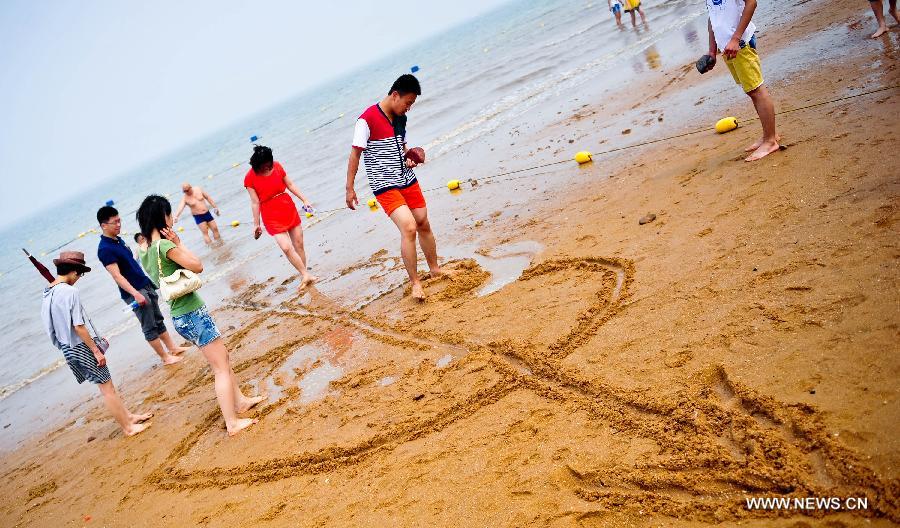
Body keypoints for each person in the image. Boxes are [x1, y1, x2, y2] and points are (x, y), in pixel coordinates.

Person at [137, 195, 265, 436]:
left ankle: (241, 401)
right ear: (161, 217)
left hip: (180, 316)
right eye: (169, 214)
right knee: (220, 367)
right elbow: (197, 266)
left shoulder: (145, 251)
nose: (172, 218)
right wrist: (179, 243)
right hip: (191, 312)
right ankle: (232, 422)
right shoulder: (165, 246)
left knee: (222, 358)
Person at [346, 74, 443, 301]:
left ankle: (435, 269)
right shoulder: (366, 120)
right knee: (409, 227)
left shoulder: (401, 118)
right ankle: (416, 283)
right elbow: (355, 154)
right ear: (395, 95)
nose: (408, 108)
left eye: (412, 104)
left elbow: (402, 145)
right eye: (408, 103)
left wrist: (410, 157)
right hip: (385, 185)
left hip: (406, 178)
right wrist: (349, 188)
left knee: (423, 222)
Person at [41, 251, 153, 437]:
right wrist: (95, 350)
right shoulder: (70, 291)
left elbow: (50, 329)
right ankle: (128, 427)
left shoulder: (47, 292)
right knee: (107, 388)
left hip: (67, 348)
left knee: (107, 385)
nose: (79, 278)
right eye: (80, 273)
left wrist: (66, 347)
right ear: (74, 271)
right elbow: (79, 326)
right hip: (79, 345)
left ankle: (129, 417)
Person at [96, 206, 187, 365]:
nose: (119, 224)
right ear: (104, 225)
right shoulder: (104, 249)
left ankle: (172, 348)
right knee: (149, 325)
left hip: (144, 283)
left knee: (158, 319)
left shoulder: (118, 240)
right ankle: (165, 358)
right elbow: (117, 276)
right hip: (134, 291)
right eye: (114, 222)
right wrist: (135, 294)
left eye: (119, 220)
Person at [704, 0, 780, 162]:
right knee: (751, 91)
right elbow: (713, 17)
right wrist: (712, 50)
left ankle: (770, 141)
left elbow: (751, 3)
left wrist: (736, 38)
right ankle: (768, 134)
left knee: (757, 89)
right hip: (727, 47)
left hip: (741, 44)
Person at [243, 145, 318, 291]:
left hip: (286, 206)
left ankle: (305, 275)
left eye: (268, 165)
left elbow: (289, 184)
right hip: (270, 213)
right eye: (264, 166)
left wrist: (305, 200)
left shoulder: (277, 166)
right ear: (257, 165)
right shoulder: (249, 177)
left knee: (299, 243)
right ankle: (305, 274)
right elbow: (254, 202)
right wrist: (256, 224)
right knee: (285, 247)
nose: (267, 168)